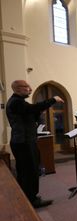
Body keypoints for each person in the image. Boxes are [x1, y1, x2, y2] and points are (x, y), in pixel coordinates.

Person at [6, 80, 64, 208]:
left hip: (25, 141)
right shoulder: (16, 102)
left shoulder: (19, 102)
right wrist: (52, 100)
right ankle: (31, 200)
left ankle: (28, 197)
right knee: (29, 171)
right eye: (27, 87)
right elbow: (32, 108)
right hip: (23, 142)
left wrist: (37, 112)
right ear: (17, 89)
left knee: (28, 170)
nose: (30, 89)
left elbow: (31, 114)